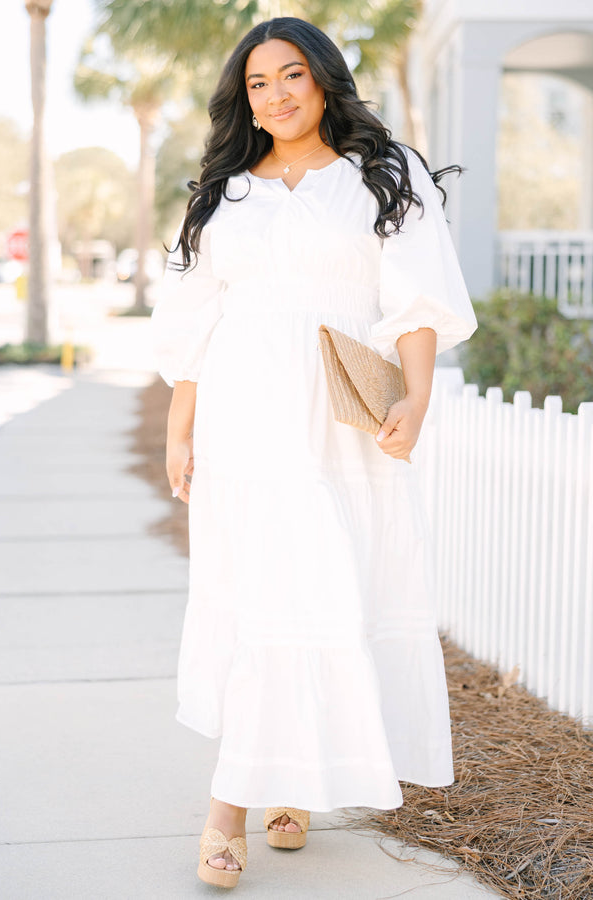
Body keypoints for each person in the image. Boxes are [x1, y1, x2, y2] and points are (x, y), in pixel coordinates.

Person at [151, 16, 477, 890]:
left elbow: (415, 303)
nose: (277, 95)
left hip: (339, 418)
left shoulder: (384, 176)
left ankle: (283, 779)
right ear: (243, 99)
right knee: (257, 594)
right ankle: (236, 802)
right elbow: (196, 325)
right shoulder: (223, 191)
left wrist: (415, 396)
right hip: (243, 418)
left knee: (328, 588)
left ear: (325, 79)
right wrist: (180, 432)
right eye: (258, 84)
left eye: (291, 75)